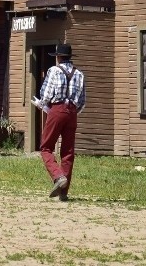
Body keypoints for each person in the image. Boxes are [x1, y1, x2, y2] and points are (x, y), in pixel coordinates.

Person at [38, 43, 86, 201]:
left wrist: (44, 105)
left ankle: (58, 177)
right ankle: (63, 192)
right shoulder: (79, 74)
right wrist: (72, 111)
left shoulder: (54, 70)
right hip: (72, 112)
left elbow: (45, 94)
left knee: (46, 147)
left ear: (58, 57)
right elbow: (82, 101)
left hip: (57, 109)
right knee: (68, 152)